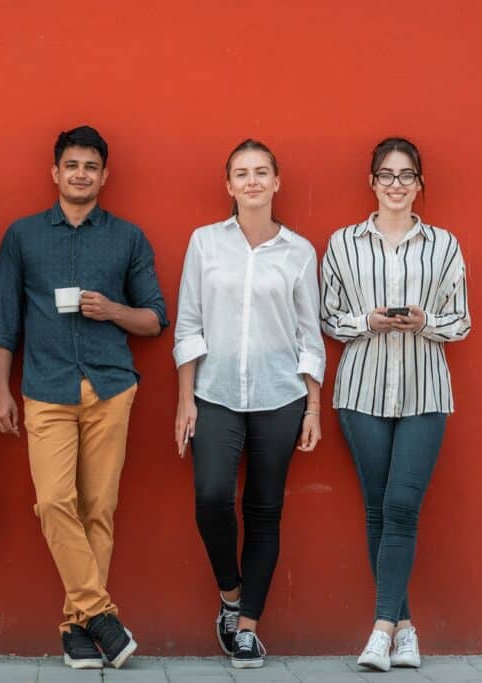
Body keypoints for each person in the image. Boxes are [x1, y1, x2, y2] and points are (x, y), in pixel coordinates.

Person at [0, 125, 168, 669]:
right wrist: (1, 391)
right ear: (55, 172)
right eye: (72, 165)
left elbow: (156, 319)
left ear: (104, 175)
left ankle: (77, 630)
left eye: (91, 166)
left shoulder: (128, 238)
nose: (81, 174)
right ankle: (102, 616)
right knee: (53, 501)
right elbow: (4, 322)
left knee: (100, 509)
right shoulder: (22, 236)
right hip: (44, 388)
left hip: (111, 386)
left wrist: (110, 310)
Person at [320, 137, 471, 672]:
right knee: (379, 508)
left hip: (425, 390)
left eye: (406, 176)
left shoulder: (444, 246)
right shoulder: (342, 243)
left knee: (402, 506)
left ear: (420, 184)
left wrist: (424, 321)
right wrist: (369, 321)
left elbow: (462, 321)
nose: (396, 186)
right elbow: (328, 317)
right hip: (361, 390)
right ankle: (404, 629)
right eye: (386, 175)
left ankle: (380, 630)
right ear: (372, 182)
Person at [173, 139, 325, 669]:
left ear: (277, 182)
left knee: (265, 509)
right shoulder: (205, 243)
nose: (253, 180)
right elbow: (188, 323)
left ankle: (247, 628)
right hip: (213, 393)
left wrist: (313, 406)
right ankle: (231, 595)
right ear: (229, 185)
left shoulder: (300, 252)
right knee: (212, 496)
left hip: (279, 396)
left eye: (262, 172)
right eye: (243, 172)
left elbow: (311, 335)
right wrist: (184, 400)